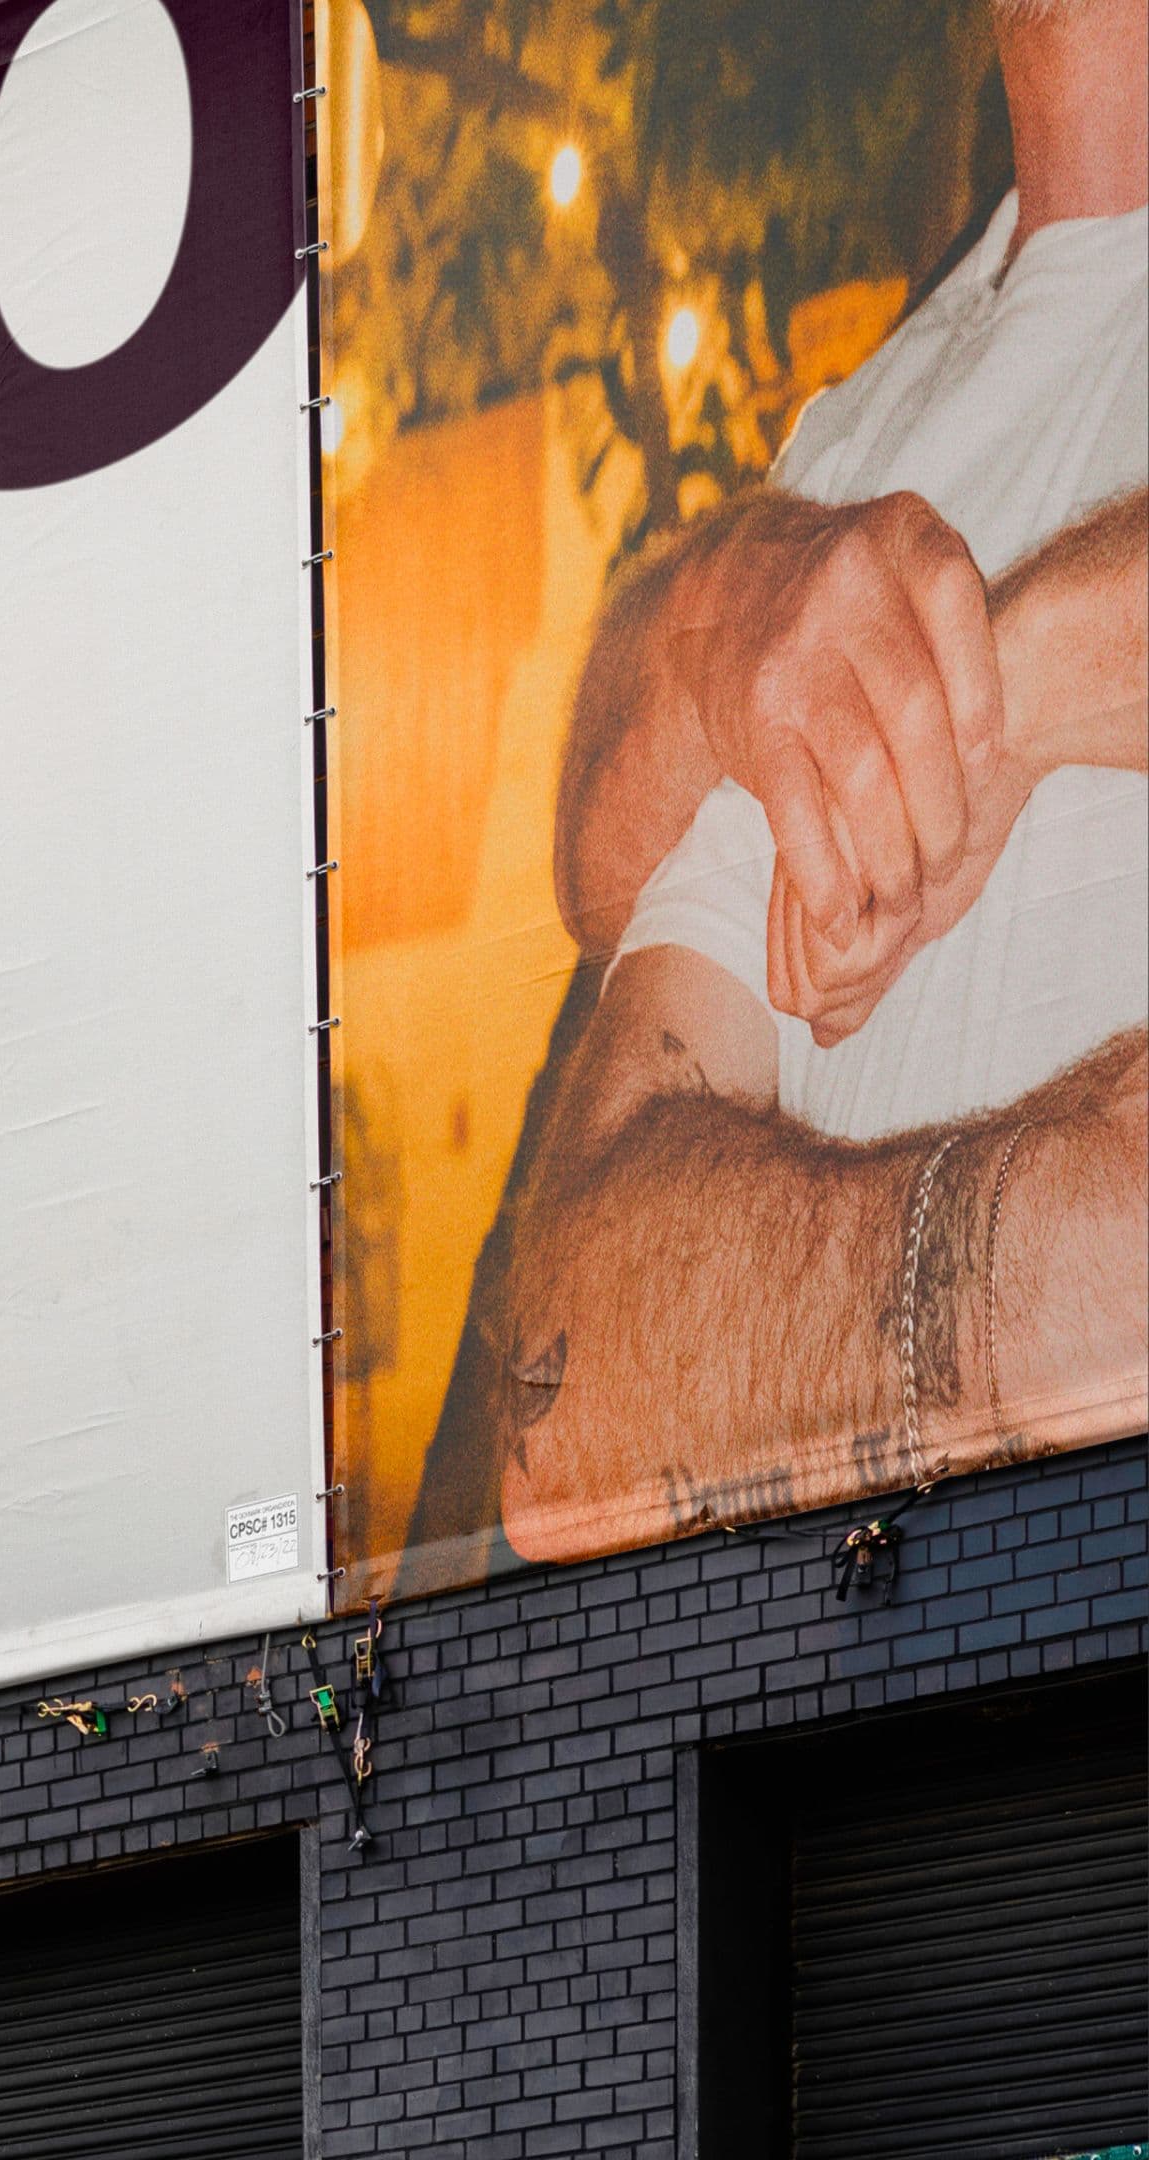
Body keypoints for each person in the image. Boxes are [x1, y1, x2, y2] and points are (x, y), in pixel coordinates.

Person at [468, 0, 1147, 1564]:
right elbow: (569, 1401)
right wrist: (1055, 1260)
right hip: (900, 1700)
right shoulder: (854, 446)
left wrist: (1013, 684)